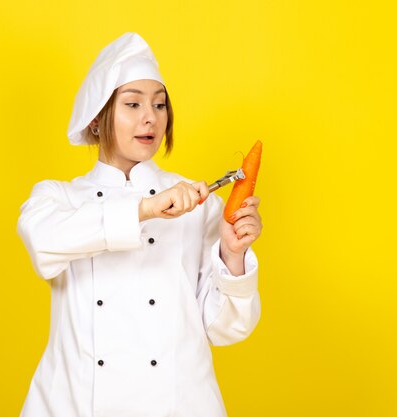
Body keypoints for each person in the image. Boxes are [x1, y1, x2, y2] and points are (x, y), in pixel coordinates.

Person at [17, 32, 262, 417]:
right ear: (97, 119)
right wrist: (144, 210)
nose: (151, 117)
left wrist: (233, 255)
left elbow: (225, 329)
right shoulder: (58, 199)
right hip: (77, 405)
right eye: (133, 104)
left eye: (160, 105)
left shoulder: (200, 207)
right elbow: (44, 242)